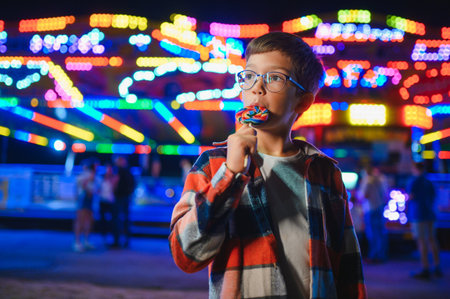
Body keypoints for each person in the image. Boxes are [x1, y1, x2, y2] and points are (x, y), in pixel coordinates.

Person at [169, 32, 367, 298]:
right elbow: (186, 255)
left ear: (303, 101)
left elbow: (348, 266)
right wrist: (231, 174)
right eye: (249, 76)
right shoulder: (213, 164)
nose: (256, 87)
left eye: (274, 77)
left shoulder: (325, 172)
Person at [408, 162, 442, 279]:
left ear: (416, 169)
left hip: (418, 215)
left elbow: (411, 196)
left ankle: (425, 268)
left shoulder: (414, 181)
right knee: (432, 240)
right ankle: (437, 266)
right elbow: (434, 196)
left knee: (421, 242)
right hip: (430, 214)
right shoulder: (429, 181)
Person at [358, 166, 388, 263]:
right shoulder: (380, 180)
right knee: (380, 233)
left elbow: (364, 195)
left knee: (372, 234)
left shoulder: (368, 181)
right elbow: (385, 194)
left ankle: (374, 256)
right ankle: (380, 255)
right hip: (379, 208)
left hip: (370, 209)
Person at [74, 159, 98, 252]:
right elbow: (83, 184)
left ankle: (86, 241)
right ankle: (77, 242)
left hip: (89, 197)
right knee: (81, 220)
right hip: (85, 197)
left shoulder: (90, 174)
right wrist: (88, 191)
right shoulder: (86, 174)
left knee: (88, 220)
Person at [111, 156, 136, 248]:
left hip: (120, 198)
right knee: (124, 219)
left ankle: (118, 241)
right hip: (124, 198)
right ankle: (124, 240)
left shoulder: (119, 171)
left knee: (118, 219)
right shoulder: (128, 172)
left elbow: (115, 184)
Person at [98, 163, 117, 245]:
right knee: (103, 219)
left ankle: (112, 237)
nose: (108, 170)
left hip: (111, 201)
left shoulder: (114, 178)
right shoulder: (101, 178)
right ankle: (104, 236)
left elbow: (115, 188)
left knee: (112, 219)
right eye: (107, 169)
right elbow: (98, 189)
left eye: (110, 169)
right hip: (103, 200)